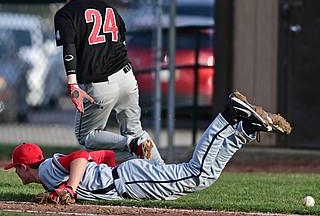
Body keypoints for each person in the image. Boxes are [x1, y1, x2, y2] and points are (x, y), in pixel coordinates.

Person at [4, 91, 291, 202]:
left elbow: (79, 156)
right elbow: (95, 157)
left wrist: (67, 189)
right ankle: (244, 129)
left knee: (195, 175)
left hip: (130, 181)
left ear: (21, 166)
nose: (14, 174)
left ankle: (229, 116)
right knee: (196, 180)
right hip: (128, 176)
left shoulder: (45, 172)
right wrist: (110, 162)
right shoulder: (47, 174)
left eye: (14, 169)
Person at [51, 0, 163, 163]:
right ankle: (161, 170)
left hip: (101, 84)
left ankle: (132, 146)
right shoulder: (109, 8)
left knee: (86, 137)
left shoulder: (65, 13)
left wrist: (72, 83)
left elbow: (69, 48)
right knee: (136, 131)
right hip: (127, 76)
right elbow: (122, 42)